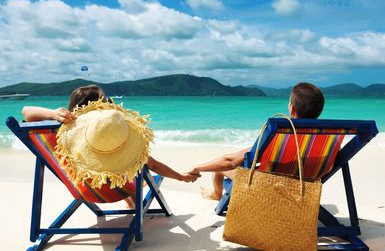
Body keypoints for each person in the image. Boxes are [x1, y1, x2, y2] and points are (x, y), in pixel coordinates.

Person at [22, 85, 199, 207]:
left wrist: (53, 114)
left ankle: (130, 199)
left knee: (109, 163)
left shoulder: (63, 133)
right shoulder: (110, 135)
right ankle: (133, 202)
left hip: (82, 190)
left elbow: (26, 111)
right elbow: (152, 165)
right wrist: (182, 177)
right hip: (118, 190)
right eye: (106, 100)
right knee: (123, 161)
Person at [187, 82, 325, 200]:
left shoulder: (280, 135)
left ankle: (216, 195)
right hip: (303, 188)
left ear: (292, 108)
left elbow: (230, 161)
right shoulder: (328, 138)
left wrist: (198, 168)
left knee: (219, 169)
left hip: (269, 188)